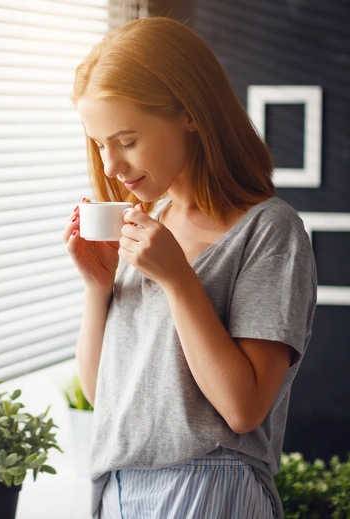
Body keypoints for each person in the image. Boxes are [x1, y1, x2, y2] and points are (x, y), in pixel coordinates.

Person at [63, 17, 317, 519]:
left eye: (127, 139)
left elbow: (242, 409)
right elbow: (101, 394)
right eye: (100, 144)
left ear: (191, 114)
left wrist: (179, 280)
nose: (111, 165)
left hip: (210, 489)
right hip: (119, 490)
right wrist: (99, 287)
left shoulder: (269, 230)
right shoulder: (146, 228)